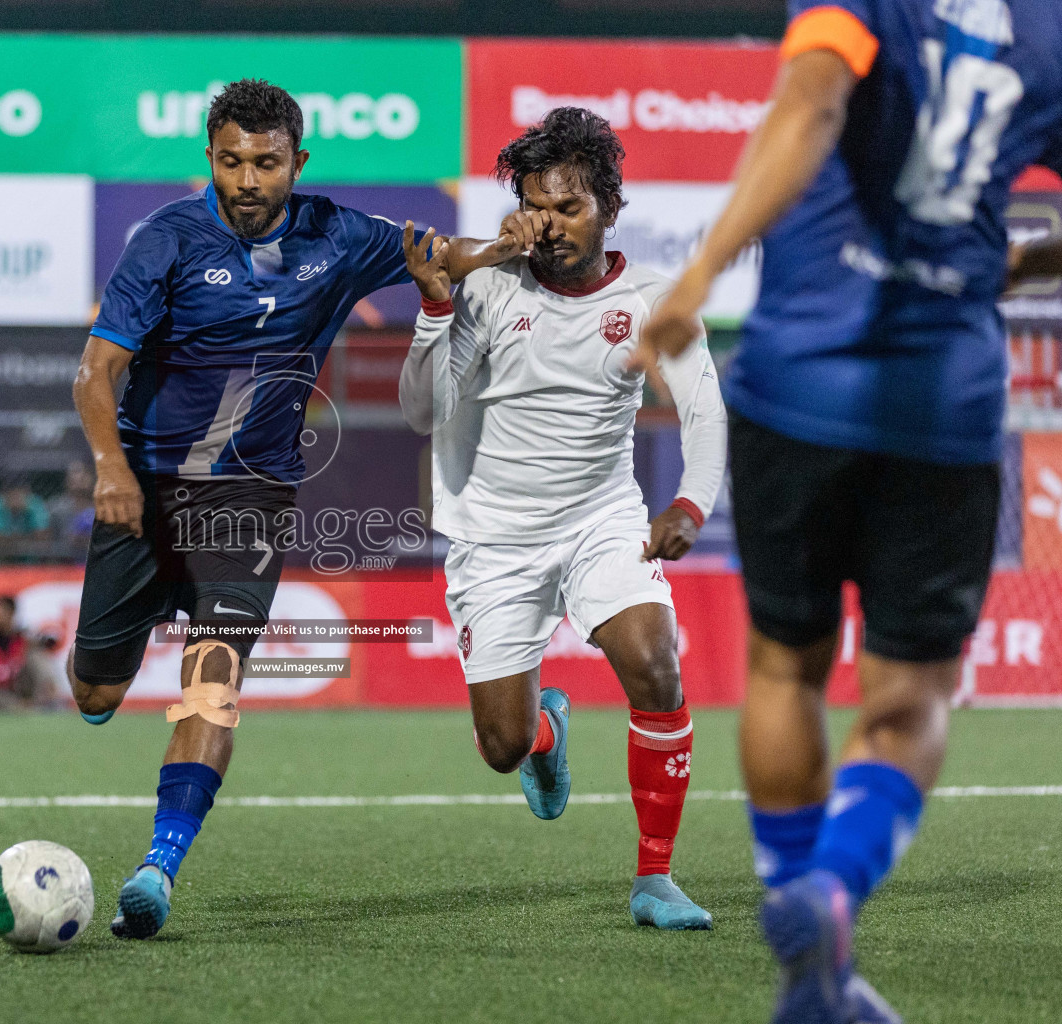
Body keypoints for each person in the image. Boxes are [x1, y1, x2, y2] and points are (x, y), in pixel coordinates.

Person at [639, 2, 1062, 1020]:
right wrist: (1015, 264)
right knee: (912, 697)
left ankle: (803, 927)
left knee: (785, 661)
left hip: (797, 385)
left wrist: (697, 273)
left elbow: (811, 102)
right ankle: (833, 902)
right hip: (944, 401)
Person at [70, 77, 524, 940]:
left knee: (214, 686)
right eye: (231, 161)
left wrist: (506, 248)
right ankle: (120, 658)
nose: (247, 180)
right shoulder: (164, 241)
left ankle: (157, 870)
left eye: (267, 163)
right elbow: (96, 370)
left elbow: (438, 255)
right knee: (95, 691)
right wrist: (110, 468)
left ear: (297, 162)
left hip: (251, 497)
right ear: (209, 157)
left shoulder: (337, 234)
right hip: (147, 490)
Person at [399, 108, 726, 931]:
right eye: (535, 209)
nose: (549, 228)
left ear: (610, 207)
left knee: (657, 663)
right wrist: (437, 306)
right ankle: (544, 733)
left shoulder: (652, 299)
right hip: (492, 538)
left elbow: (705, 414)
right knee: (501, 747)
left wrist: (689, 503)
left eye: (569, 208)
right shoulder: (489, 284)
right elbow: (418, 408)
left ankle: (656, 879)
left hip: (600, 519)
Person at [0, 594, 62, 710]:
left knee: (36, 656)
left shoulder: (23, 638)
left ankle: (49, 700)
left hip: (20, 686)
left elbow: (52, 642)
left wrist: (30, 646)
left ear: (11, 613)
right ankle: (23, 706)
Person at [0, 477, 51, 569]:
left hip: (27, 560)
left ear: (28, 492)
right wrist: (23, 541)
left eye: (20, 492)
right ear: (3, 493)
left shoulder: (35, 504)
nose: (16, 497)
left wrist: (5, 541)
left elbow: (44, 542)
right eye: (12, 493)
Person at [42, 461, 97, 561]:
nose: (80, 478)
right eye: (75, 473)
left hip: (96, 559)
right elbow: (46, 541)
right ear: (67, 480)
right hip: (63, 562)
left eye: (84, 474)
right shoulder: (55, 507)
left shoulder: (101, 507)